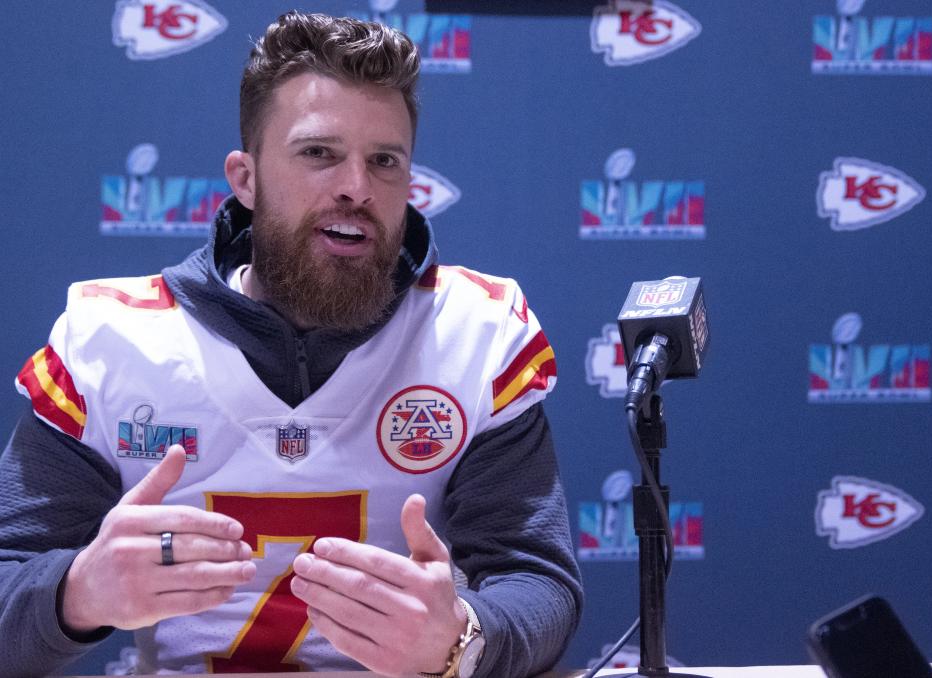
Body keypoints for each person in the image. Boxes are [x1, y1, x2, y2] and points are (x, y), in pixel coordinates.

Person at [0, 11, 582, 678]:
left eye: (384, 161)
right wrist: (77, 592)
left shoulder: (476, 334)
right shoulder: (113, 343)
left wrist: (464, 638)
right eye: (318, 153)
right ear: (244, 179)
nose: (356, 188)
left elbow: (537, 583)